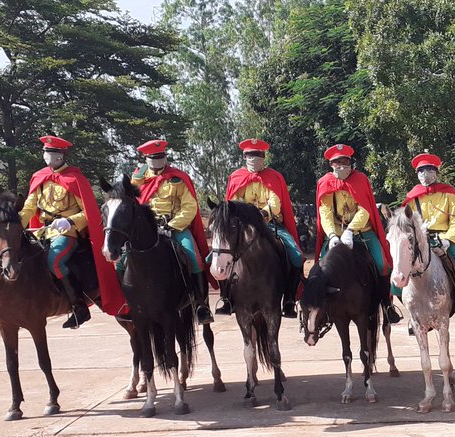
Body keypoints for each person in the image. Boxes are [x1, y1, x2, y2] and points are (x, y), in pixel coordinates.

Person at [20, 135, 125, 328]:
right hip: (43, 231)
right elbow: (29, 206)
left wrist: (69, 221)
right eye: (45, 152)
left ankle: (79, 306)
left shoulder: (75, 179)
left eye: (50, 152)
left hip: (66, 232)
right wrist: (17, 222)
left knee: (55, 260)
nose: (46, 155)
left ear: (60, 155)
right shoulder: (39, 177)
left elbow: (89, 212)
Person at [129, 139, 214, 324]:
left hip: (174, 227)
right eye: (153, 158)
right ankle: (127, 303)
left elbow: (189, 206)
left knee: (194, 258)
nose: (157, 161)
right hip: (147, 229)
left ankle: (201, 305)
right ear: (146, 159)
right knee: (122, 259)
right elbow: (130, 204)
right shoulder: (137, 179)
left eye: (161, 157)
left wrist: (172, 225)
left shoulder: (177, 178)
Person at [314, 143, 402, 324]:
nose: (342, 165)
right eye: (338, 162)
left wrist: (351, 230)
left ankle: (387, 304)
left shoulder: (361, 180)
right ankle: (320, 308)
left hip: (362, 232)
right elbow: (325, 212)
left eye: (345, 161)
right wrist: (332, 235)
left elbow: (365, 209)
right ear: (331, 164)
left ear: (351, 162)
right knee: (321, 266)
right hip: (337, 234)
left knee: (382, 265)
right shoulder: (325, 182)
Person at [219, 138, 304, 318]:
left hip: (270, 224)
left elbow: (275, 203)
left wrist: (263, 214)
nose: (254, 158)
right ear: (244, 157)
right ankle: (226, 299)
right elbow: (233, 204)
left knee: (296, 256)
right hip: (243, 226)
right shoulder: (236, 177)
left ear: (264, 157)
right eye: (250, 155)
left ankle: (289, 300)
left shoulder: (274, 177)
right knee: (216, 256)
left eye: (258, 155)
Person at [398, 153, 455, 332]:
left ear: (436, 172)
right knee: (397, 271)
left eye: (429, 169)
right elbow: (406, 225)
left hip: (444, 238)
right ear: (417, 174)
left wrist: (447, 240)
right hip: (420, 241)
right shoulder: (412, 198)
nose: (425, 173)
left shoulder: (449, 194)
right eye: (421, 170)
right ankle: (412, 315)